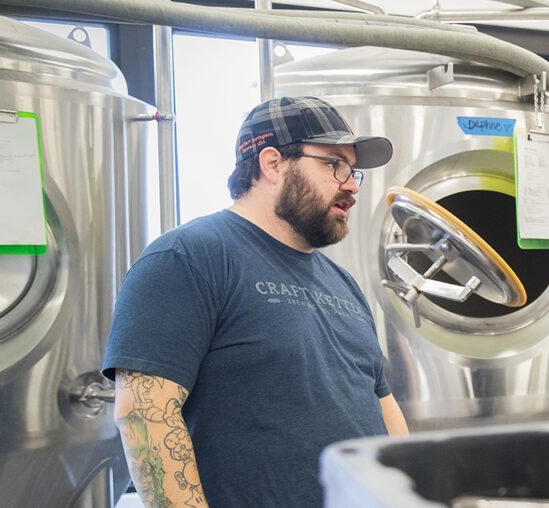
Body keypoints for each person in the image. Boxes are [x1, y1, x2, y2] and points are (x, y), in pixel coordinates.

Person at [102, 96, 408, 508]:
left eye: (353, 171)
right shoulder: (188, 258)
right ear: (272, 163)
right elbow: (143, 415)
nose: (351, 184)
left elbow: (381, 406)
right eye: (334, 164)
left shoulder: (343, 283)